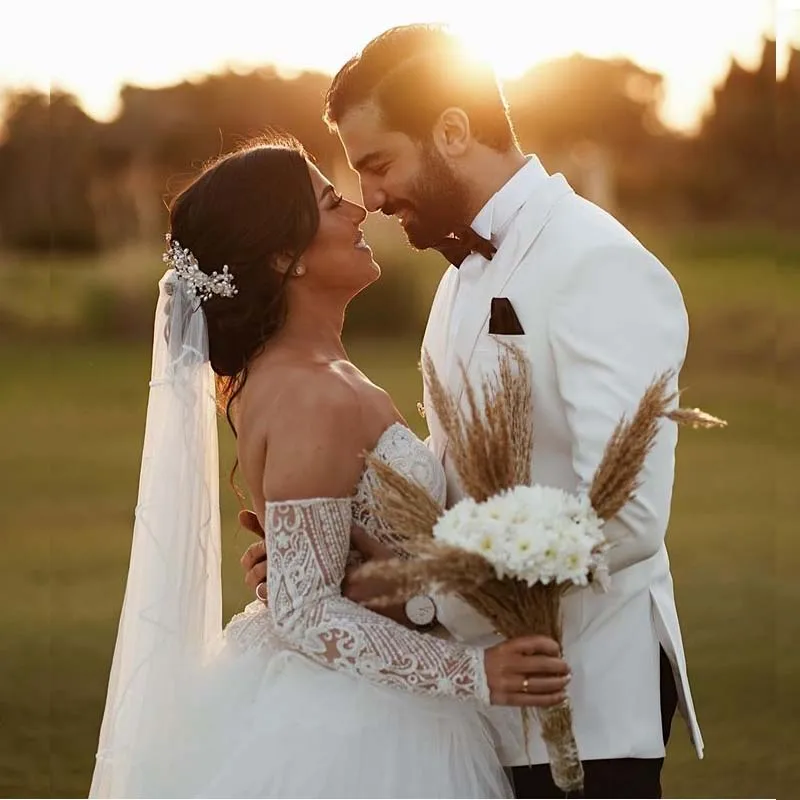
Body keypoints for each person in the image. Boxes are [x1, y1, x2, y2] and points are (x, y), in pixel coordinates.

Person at [240, 24, 701, 799]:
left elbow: (623, 519)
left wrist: (416, 590)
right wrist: (331, 557)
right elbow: (465, 476)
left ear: (452, 130)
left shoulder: (599, 263)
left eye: (379, 164)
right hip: (477, 704)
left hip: (582, 697)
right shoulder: (455, 282)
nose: (373, 199)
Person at [89, 134, 572, 799]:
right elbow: (305, 610)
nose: (358, 209)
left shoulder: (316, 374)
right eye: (329, 200)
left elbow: (310, 575)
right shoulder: (309, 393)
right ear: (286, 257)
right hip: (358, 734)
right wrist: (476, 672)